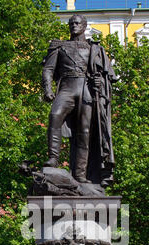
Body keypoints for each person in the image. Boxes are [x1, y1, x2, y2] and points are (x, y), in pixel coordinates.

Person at [42, 14, 117, 187]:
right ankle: (53, 159)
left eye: (77, 23)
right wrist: (48, 89)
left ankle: (80, 175)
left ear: (84, 26)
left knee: (85, 132)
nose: (73, 26)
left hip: (87, 90)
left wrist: (100, 81)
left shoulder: (95, 49)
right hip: (67, 87)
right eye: (71, 23)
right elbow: (48, 69)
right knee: (55, 116)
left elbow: (108, 75)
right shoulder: (59, 46)